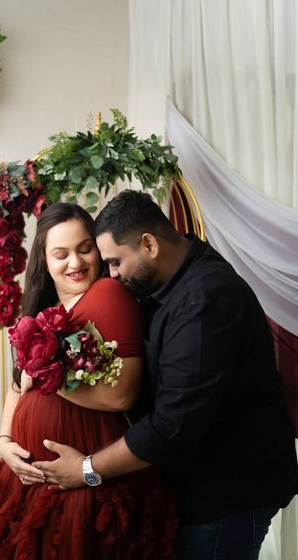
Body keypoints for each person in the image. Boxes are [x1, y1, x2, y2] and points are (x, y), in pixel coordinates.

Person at [33, 190, 298, 560]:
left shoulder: (204, 299)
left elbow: (172, 426)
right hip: (199, 487)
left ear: (149, 244)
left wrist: (86, 470)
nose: (111, 274)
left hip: (226, 496)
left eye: (116, 262)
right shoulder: (168, 283)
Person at [0, 202, 177, 559]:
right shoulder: (41, 311)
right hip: (30, 483)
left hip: (85, 478)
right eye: (61, 254)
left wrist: (50, 377)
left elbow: (121, 396)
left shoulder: (107, 295)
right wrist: (4, 441)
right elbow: (19, 385)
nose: (76, 263)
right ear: (45, 261)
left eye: (85, 249)